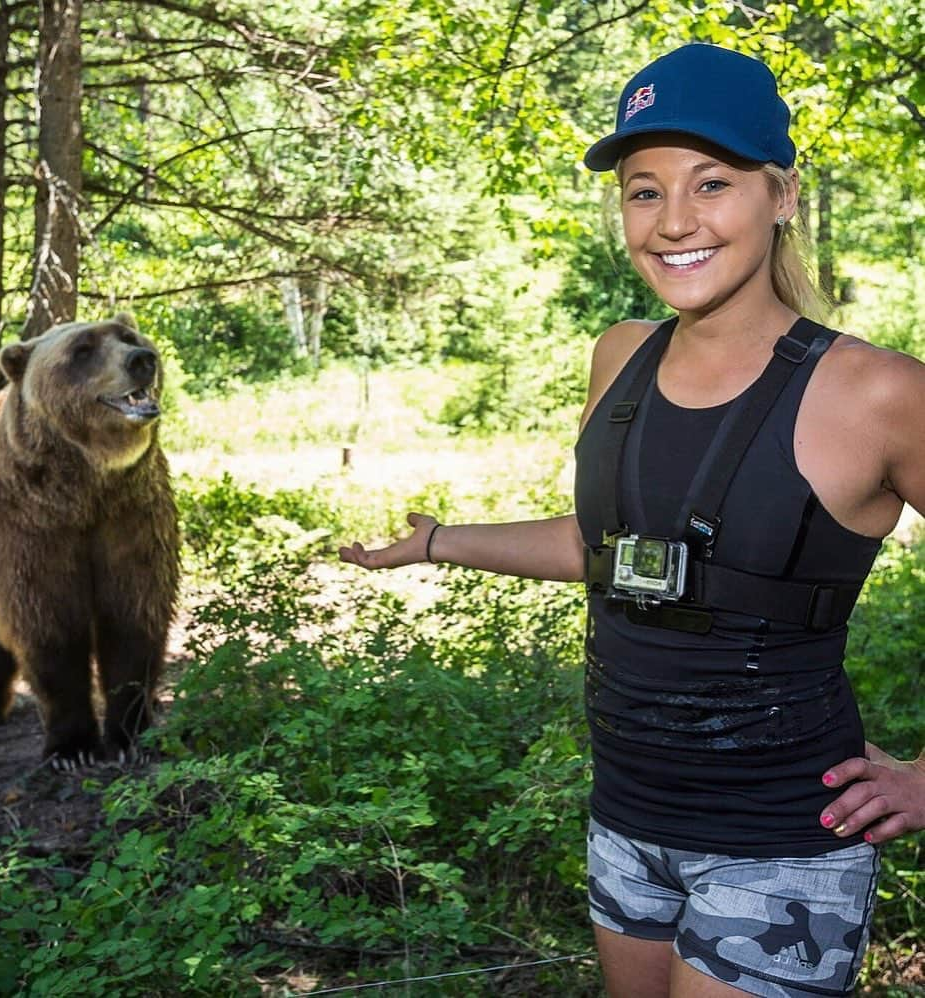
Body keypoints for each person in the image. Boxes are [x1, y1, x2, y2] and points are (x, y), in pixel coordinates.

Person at [339, 42, 925, 998]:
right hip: (627, 819)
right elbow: (610, 553)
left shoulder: (876, 391)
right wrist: (440, 543)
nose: (674, 222)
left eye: (712, 183)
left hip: (779, 843)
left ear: (780, 196)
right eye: (644, 192)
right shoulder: (620, 357)